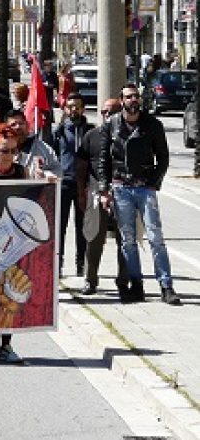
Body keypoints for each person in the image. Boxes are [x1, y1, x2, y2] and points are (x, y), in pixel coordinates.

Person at [0, 125, 57, 363]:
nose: (9, 156)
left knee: (8, 292)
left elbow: (36, 188)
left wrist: (46, 179)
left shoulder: (21, 171)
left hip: (12, 239)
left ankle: (5, 345)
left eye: (14, 152)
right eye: (5, 151)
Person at [94, 84, 182, 305]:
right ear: (121, 100)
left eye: (136, 96)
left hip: (144, 188)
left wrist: (153, 183)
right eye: (128, 97)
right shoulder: (111, 125)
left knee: (156, 238)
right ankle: (136, 284)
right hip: (120, 188)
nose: (133, 100)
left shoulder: (152, 125)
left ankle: (166, 285)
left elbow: (163, 157)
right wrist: (104, 190)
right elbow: (103, 159)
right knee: (128, 241)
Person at [76, 99, 129, 296]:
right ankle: (90, 280)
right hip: (96, 192)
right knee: (93, 237)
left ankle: (124, 281)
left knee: (125, 239)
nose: (108, 115)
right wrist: (81, 192)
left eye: (113, 111)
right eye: (104, 112)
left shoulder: (129, 134)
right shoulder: (92, 136)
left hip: (124, 193)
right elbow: (81, 166)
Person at [51, 94, 91, 277]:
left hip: (83, 185)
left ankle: (82, 264)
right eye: (70, 106)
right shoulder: (58, 131)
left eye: (77, 106)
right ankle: (57, 264)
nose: (73, 109)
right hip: (63, 183)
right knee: (60, 226)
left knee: (83, 227)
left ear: (83, 109)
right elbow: (50, 158)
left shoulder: (90, 131)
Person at [5, 110, 61, 179]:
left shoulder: (44, 148)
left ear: (27, 125)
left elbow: (57, 171)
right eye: (13, 124)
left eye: (21, 123)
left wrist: (45, 175)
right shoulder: (1, 149)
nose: (18, 127)